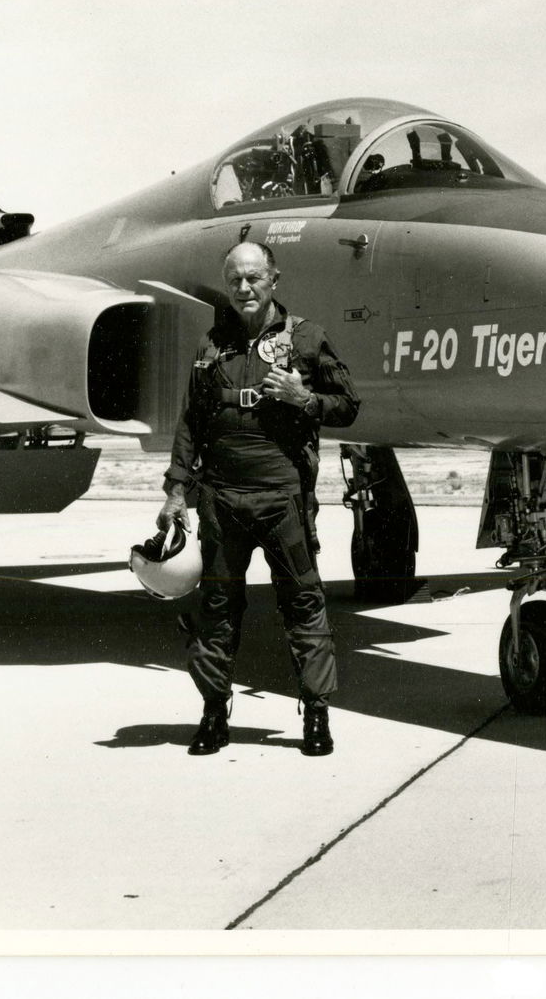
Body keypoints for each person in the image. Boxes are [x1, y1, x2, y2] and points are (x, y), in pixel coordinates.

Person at [157, 240, 359, 757]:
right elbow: (191, 422)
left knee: (304, 606)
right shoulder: (211, 346)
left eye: (254, 279)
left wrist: (304, 397)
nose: (244, 288)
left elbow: (349, 406)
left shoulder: (308, 340)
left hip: (282, 501)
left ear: (274, 280)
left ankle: (316, 716)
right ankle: (213, 714)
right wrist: (177, 490)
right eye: (235, 281)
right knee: (218, 609)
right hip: (221, 502)